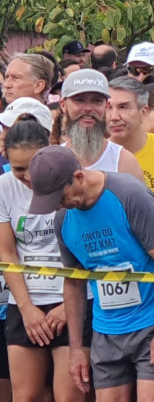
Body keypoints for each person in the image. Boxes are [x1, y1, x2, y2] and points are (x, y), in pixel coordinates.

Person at [30, 145, 154, 402]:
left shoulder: (129, 195)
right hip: (107, 329)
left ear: (79, 177)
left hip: (152, 320)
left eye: (60, 197)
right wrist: (75, 350)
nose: (57, 206)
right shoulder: (63, 218)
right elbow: (73, 282)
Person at [0, 115, 90, 402]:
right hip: (25, 300)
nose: (27, 177)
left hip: (72, 299)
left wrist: (68, 306)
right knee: (25, 395)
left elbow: (90, 250)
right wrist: (26, 308)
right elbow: (6, 252)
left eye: (33, 167)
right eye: (19, 169)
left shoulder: (72, 181)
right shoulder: (4, 187)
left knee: (70, 396)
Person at [107, 77, 154, 212]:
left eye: (123, 107)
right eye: (108, 107)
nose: (114, 116)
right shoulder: (92, 155)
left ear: (143, 112)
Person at [59, 70, 143, 179]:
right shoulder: (52, 160)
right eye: (79, 100)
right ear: (63, 105)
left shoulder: (123, 162)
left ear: (106, 106)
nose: (88, 108)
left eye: (96, 101)